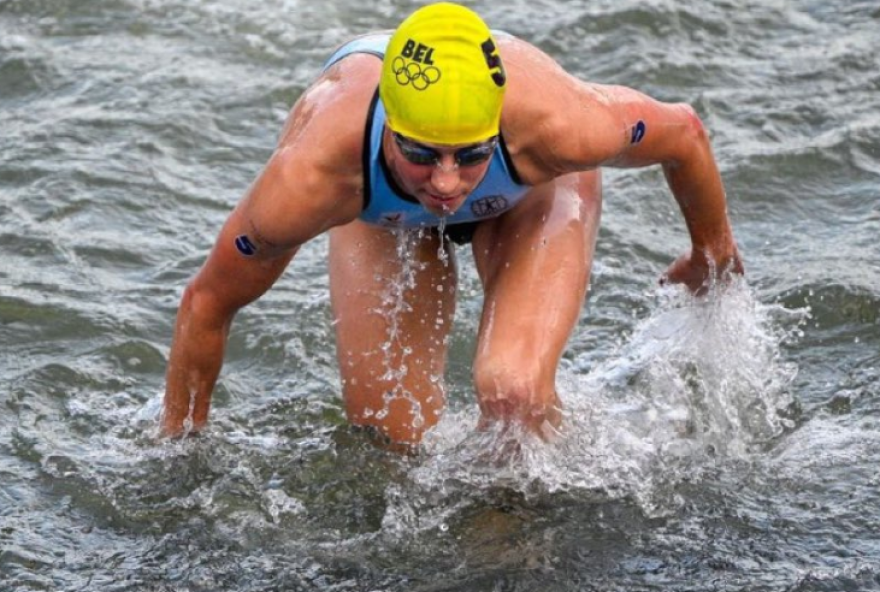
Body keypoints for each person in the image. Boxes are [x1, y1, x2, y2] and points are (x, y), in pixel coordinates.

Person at [161, 2, 743, 447]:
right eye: (422, 154)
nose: (445, 183)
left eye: (468, 156)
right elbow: (208, 301)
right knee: (389, 444)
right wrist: (180, 447)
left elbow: (684, 133)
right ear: (389, 131)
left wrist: (710, 255)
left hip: (529, 190)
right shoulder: (315, 175)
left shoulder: (559, 124)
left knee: (514, 394)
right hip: (379, 213)